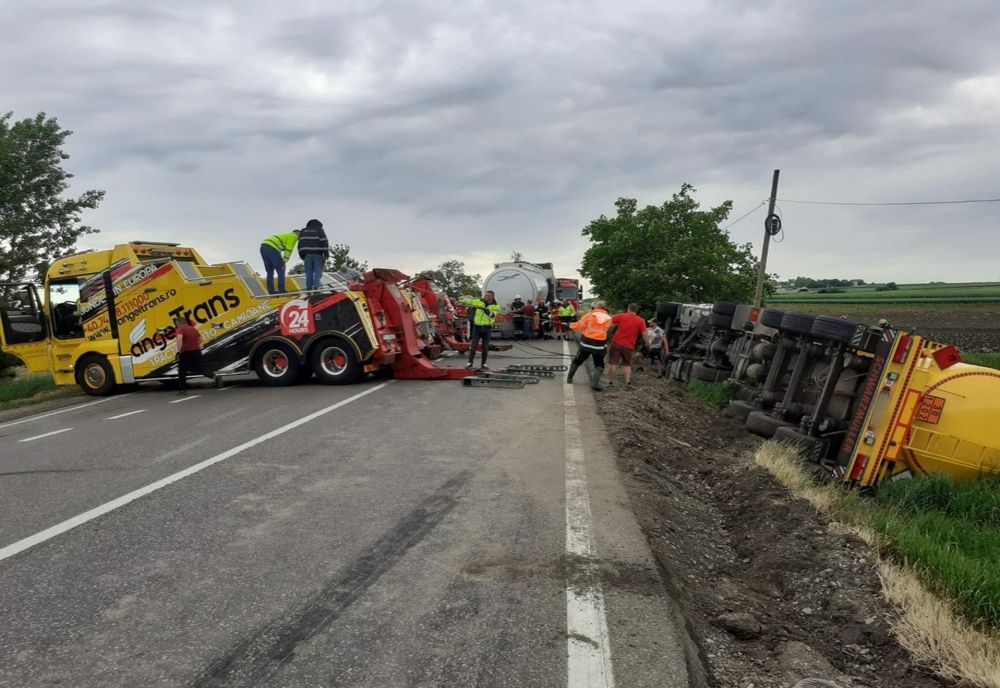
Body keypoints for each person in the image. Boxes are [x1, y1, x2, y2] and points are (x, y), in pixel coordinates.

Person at [567, 301, 613, 390]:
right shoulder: (608, 318)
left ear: (595, 308)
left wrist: (569, 325)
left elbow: (579, 325)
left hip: (586, 344)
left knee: (577, 360)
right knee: (599, 364)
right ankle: (595, 384)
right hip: (599, 346)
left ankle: (569, 378)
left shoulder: (589, 315)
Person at [608, 303, 650, 387]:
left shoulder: (621, 316)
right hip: (628, 345)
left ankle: (612, 382)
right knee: (627, 364)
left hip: (616, 342)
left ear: (628, 309)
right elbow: (644, 334)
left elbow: (609, 322)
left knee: (613, 363)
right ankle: (627, 382)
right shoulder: (641, 321)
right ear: (636, 310)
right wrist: (647, 344)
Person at [459, 290, 500, 370]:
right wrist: (462, 300)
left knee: (485, 347)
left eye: (487, 296)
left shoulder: (496, 306)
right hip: (477, 327)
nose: (485, 297)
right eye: (485, 295)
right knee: (473, 346)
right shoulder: (479, 302)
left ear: (491, 297)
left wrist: (484, 308)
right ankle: (470, 363)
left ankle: (484, 364)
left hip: (487, 328)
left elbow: (491, 315)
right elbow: (470, 302)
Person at [173, 315, 212, 395]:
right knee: (201, 368)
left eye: (176, 323)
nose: (176, 325)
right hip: (197, 351)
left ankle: (182, 390)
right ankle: (214, 376)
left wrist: (178, 351)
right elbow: (201, 339)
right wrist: (195, 345)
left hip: (186, 353)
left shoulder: (180, 329)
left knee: (182, 371)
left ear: (179, 323)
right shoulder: (193, 329)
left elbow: (179, 339)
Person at [260, 229, 301, 294]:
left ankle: (271, 291)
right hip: (273, 248)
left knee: (270, 271)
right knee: (281, 270)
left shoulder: (286, 235)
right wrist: (284, 261)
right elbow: (289, 249)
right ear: (297, 233)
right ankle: (282, 290)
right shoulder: (293, 237)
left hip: (263, 247)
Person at [297, 219, 329, 291]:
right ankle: (316, 289)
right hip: (318, 255)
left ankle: (308, 290)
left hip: (307, 256)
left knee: (309, 274)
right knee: (317, 273)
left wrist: (302, 255)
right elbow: (324, 242)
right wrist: (326, 255)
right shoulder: (319, 230)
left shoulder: (303, 231)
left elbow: (300, 244)